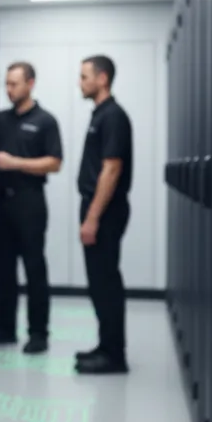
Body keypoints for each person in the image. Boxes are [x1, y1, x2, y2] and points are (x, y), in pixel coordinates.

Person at [0, 62, 63, 354]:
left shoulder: (45, 121)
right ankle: (4, 328)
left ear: (30, 84)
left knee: (34, 268)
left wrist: (16, 163)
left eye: (14, 84)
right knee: (1, 269)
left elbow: (54, 163)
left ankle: (38, 334)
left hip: (30, 202)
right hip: (0, 200)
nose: (9, 89)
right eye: (6, 84)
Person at [76, 55, 133, 374]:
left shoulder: (113, 116)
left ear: (103, 79)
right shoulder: (101, 114)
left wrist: (93, 218)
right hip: (99, 208)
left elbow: (111, 170)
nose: (80, 82)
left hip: (106, 211)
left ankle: (114, 356)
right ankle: (105, 346)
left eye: (84, 76)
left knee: (106, 282)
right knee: (99, 282)